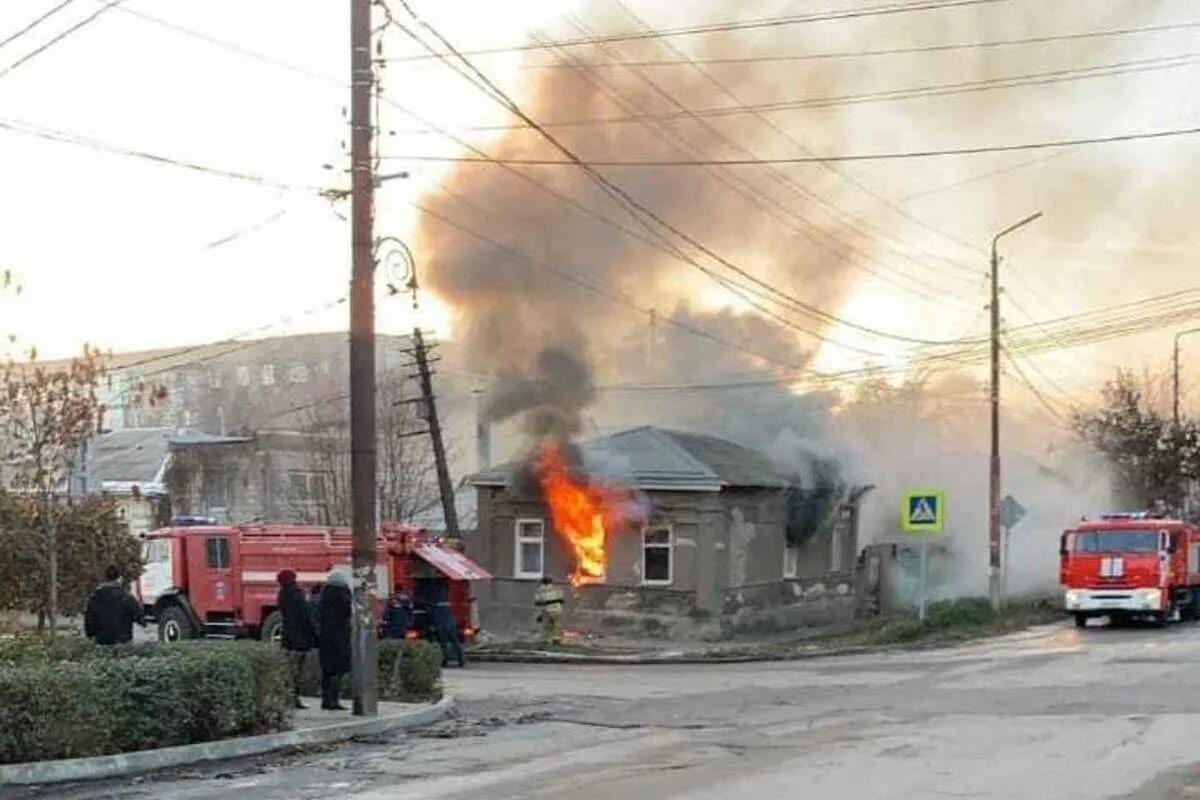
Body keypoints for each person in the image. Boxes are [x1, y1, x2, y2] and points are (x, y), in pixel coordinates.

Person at [276, 569, 316, 709]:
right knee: (298, 670)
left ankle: (287, 697)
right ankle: (294, 698)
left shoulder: (282, 594)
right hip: (299, 637)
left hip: (287, 636)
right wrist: (312, 634)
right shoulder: (297, 593)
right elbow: (304, 616)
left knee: (288, 669)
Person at [317, 571, 352, 711]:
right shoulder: (343, 596)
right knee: (339, 670)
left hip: (325, 638)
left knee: (327, 670)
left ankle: (325, 700)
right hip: (340, 637)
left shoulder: (324, 595)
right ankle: (334, 700)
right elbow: (347, 614)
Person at [84, 565, 145, 646]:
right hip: (123, 640)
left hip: (101, 640)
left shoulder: (95, 597)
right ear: (120, 579)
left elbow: (89, 619)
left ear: (105, 578)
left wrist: (90, 635)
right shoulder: (126, 596)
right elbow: (139, 617)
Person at [428, 580, 465, 668]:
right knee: (455, 642)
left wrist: (432, 625)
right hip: (451, 624)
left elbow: (432, 616)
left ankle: (444, 660)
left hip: (442, 625)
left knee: (443, 643)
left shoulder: (435, 604)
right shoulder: (446, 602)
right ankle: (461, 659)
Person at [534, 576, 565, 645]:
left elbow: (537, 602)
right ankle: (556, 639)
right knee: (557, 625)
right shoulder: (557, 589)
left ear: (542, 582)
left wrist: (540, 614)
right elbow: (561, 599)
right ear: (551, 582)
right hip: (557, 610)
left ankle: (545, 640)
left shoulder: (540, 590)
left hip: (546, 611)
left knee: (546, 626)